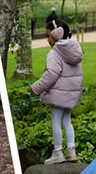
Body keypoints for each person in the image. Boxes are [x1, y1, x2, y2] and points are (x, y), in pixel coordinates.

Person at [29, 18, 83, 164]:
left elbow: (50, 75)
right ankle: (71, 150)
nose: (47, 40)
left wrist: (35, 88)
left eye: (48, 36)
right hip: (70, 94)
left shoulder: (55, 54)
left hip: (58, 95)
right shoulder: (74, 51)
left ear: (56, 35)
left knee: (56, 121)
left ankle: (58, 151)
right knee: (67, 121)